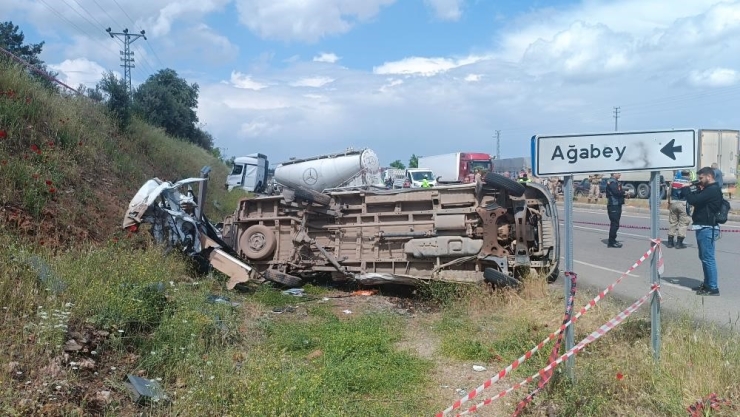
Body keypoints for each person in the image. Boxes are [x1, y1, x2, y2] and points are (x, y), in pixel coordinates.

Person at [683, 167, 723, 296]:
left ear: (709, 177)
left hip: (707, 228)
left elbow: (693, 200)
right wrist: (694, 188)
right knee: (704, 257)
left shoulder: (712, 190)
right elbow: (698, 200)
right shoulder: (708, 189)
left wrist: (686, 189)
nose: (699, 181)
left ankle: (713, 287)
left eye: (701, 178)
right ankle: (707, 284)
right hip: (703, 226)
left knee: (708, 258)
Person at [666, 169, 692, 248]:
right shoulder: (689, 183)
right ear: (688, 174)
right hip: (683, 204)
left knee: (673, 222)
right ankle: (679, 243)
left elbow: (669, 193)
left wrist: (669, 202)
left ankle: (670, 242)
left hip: (673, 203)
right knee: (683, 223)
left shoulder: (674, 181)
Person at [605, 173, 626, 248]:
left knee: (615, 224)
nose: (620, 174)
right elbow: (616, 192)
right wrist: (624, 193)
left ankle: (613, 240)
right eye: (618, 173)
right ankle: (611, 242)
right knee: (615, 224)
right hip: (613, 205)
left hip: (617, 205)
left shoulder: (615, 182)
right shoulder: (612, 182)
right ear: (614, 174)